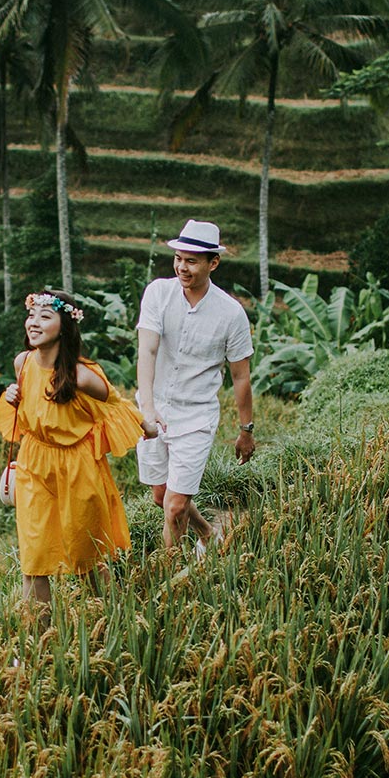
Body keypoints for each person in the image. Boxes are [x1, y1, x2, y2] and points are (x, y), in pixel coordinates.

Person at [0, 290, 157, 615]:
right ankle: (37, 645)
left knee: (88, 561)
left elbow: (115, 405)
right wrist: (14, 395)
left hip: (78, 471)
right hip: (34, 465)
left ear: (64, 326)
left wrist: (146, 425)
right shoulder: (22, 363)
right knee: (34, 559)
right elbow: (32, 406)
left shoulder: (83, 377)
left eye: (45, 317)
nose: (34, 323)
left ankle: (122, 621)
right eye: (32, 315)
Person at [135, 219, 255, 553]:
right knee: (162, 497)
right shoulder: (158, 292)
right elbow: (147, 349)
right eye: (178, 258)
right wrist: (147, 407)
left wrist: (246, 430)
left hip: (196, 416)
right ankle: (206, 532)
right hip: (153, 406)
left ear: (212, 263)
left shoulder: (231, 314)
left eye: (191, 261)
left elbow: (241, 376)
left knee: (175, 506)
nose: (181, 267)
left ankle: (170, 580)